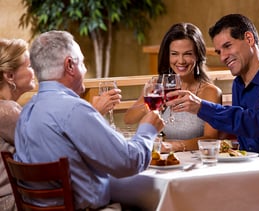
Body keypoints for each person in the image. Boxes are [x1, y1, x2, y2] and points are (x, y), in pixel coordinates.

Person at [13, 30, 164, 210]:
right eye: (83, 62)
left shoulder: (27, 110)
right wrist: (148, 130)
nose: (85, 70)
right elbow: (129, 162)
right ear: (70, 65)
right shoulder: (74, 109)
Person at [166, 14, 259, 164]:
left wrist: (202, 107)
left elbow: (256, 124)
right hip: (258, 171)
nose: (223, 57)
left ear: (249, 39)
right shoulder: (239, 84)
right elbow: (242, 131)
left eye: (227, 46)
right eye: (219, 52)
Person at [124, 22, 222, 152]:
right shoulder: (159, 87)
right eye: (174, 54)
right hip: (162, 160)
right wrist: (151, 102)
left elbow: (211, 138)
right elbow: (128, 119)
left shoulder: (210, 92)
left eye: (187, 54)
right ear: (167, 56)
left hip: (194, 162)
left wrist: (172, 146)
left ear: (197, 55)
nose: (180, 61)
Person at [0, 38, 36, 211]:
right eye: (29, 66)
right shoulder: (6, 112)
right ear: (9, 75)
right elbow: (47, 143)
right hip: (12, 203)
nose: (34, 70)